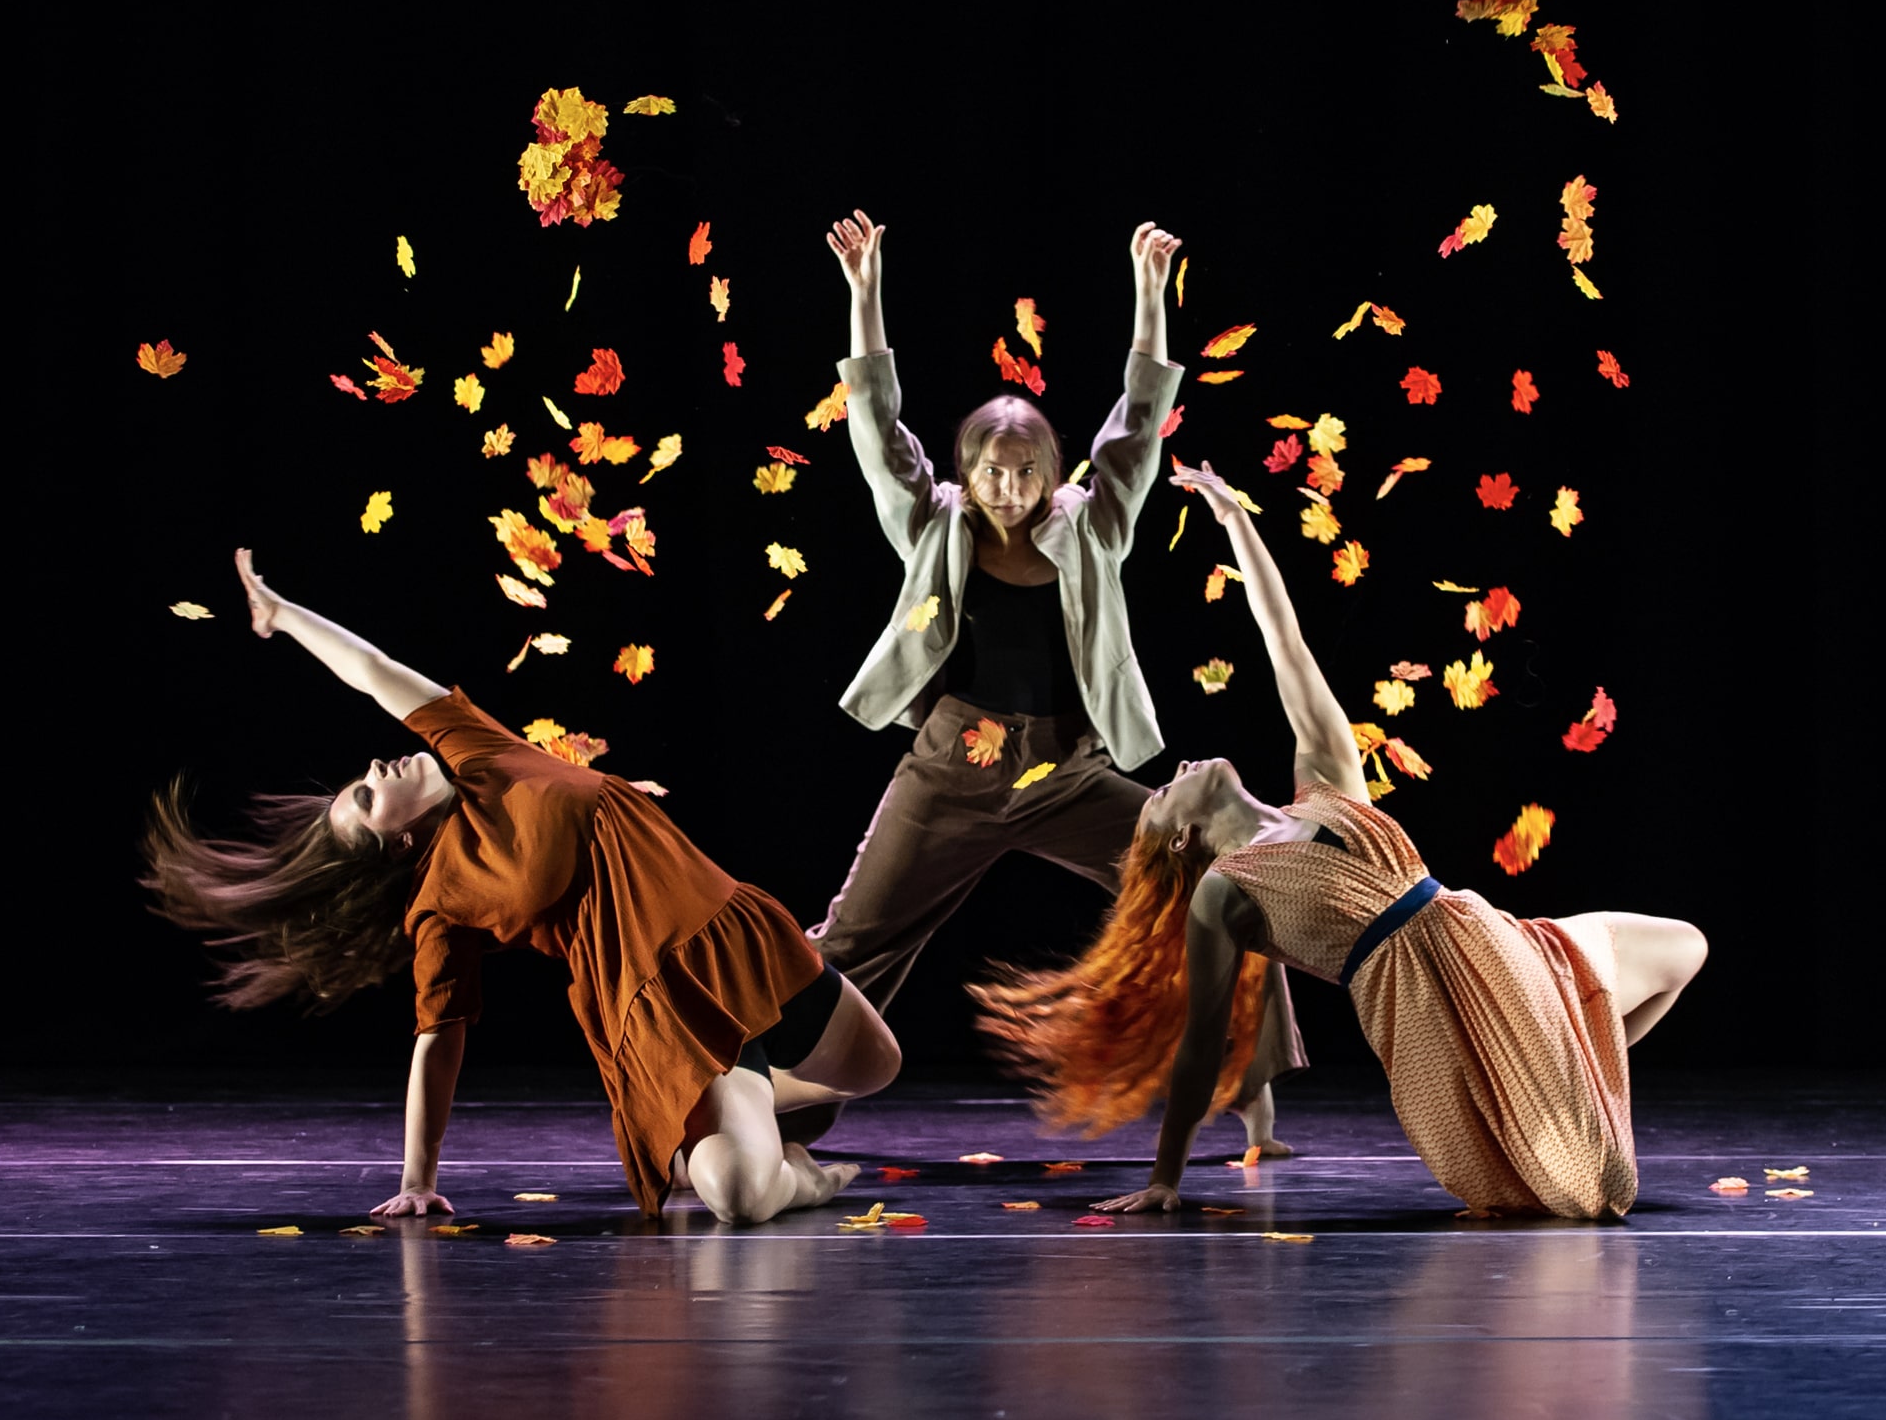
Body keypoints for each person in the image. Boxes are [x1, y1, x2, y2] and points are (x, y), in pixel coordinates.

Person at [972, 463, 1710, 1219]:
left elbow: (1283, 639)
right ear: (1185, 837)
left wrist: (1235, 521)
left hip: (1493, 937)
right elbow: (1201, 1049)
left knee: (1685, 948)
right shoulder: (1227, 891)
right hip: (1425, 1002)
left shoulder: (1325, 782)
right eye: (1163, 796)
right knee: (1590, 1188)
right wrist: (1168, 1176)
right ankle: (1551, 1077)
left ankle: (1577, 1064)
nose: (1177, 770)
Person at [141, 549, 900, 1224]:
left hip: (733, 940)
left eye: (360, 781)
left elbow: (371, 670)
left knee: (877, 1066)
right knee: (737, 1199)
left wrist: (283, 614)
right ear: (397, 844)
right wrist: (417, 1177)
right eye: (367, 800)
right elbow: (438, 1038)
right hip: (657, 1008)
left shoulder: (480, 752)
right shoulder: (441, 903)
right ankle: (802, 1174)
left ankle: (761, 1095)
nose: (374, 771)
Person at [797, 210, 1304, 1149]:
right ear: (966, 471)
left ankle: (1252, 1101)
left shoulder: (1094, 527)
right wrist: (863, 293)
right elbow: (873, 422)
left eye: (1027, 473)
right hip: (951, 768)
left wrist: (1150, 299)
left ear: (1051, 472)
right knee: (853, 945)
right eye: (993, 472)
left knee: (1219, 883)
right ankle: (779, 1099)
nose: (1010, 489)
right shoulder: (931, 523)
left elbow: (1139, 420)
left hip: (1066, 770)